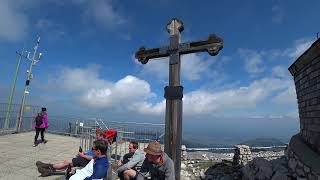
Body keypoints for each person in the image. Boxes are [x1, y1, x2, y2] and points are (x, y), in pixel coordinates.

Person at [36, 130, 107, 176]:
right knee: (67, 163)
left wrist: (83, 155)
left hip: (87, 160)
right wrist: (84, 152)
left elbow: (95, 157)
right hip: (85, 158)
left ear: (101, 136)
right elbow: (92, 152)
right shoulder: (100, 143)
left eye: (97, 135)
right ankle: (49, 169)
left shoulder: (102, 145)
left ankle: (49, 167)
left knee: (67, 162)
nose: (96, 136)